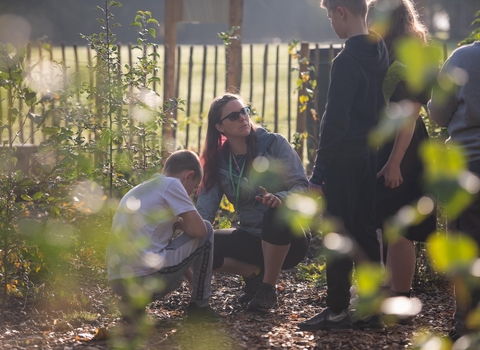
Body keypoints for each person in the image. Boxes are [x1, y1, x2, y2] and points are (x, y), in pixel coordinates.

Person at [298, 0, 389, 331]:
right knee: (366, 230)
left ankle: (336, 311)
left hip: (344, 159)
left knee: (335, 233)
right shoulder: (380, 54)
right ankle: (372, 309)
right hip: (370, 155)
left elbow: (334, 121)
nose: (330, 24)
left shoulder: (347, 59)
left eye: (329, 16)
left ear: (341, 12)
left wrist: (318, 173)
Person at [197, 93, 310, 313]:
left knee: (275, 214)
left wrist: (280, 199)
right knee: (205, 244)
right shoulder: (218, 161)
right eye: (233, 115)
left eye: (244, 111)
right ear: (220, 127)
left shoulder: (274, 143)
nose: (242, 118)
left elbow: (302, 187)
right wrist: (187, 228)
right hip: (249, 235)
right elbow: (204, 213)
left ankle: (268, 289)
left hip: (289, 239)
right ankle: (255, 276)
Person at [372, 0, 436, 319]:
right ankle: (391, 290)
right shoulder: (398, 52)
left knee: (398, 225)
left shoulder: (403, 59)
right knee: (388, 221)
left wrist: (395, 161)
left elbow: (409, 113)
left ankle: (401, 297)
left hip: (404, 145)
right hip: (396, 143)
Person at [106, 150, 218, 328]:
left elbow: (166, 247)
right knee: (208, 229)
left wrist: (189, 277)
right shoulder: (172, 185)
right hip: (145, 275)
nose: (190, 195)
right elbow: (200, 231)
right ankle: (200, 306)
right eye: (194, 189)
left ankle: (133, 304)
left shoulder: (145, 188)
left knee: (175, 273)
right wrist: (184, 222)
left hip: (119, 280)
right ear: (188, 176)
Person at [428, 41, 480, 340]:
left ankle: (465, 329)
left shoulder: (463, 58)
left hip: (467, 165)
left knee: (464, 249)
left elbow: (437, 112)